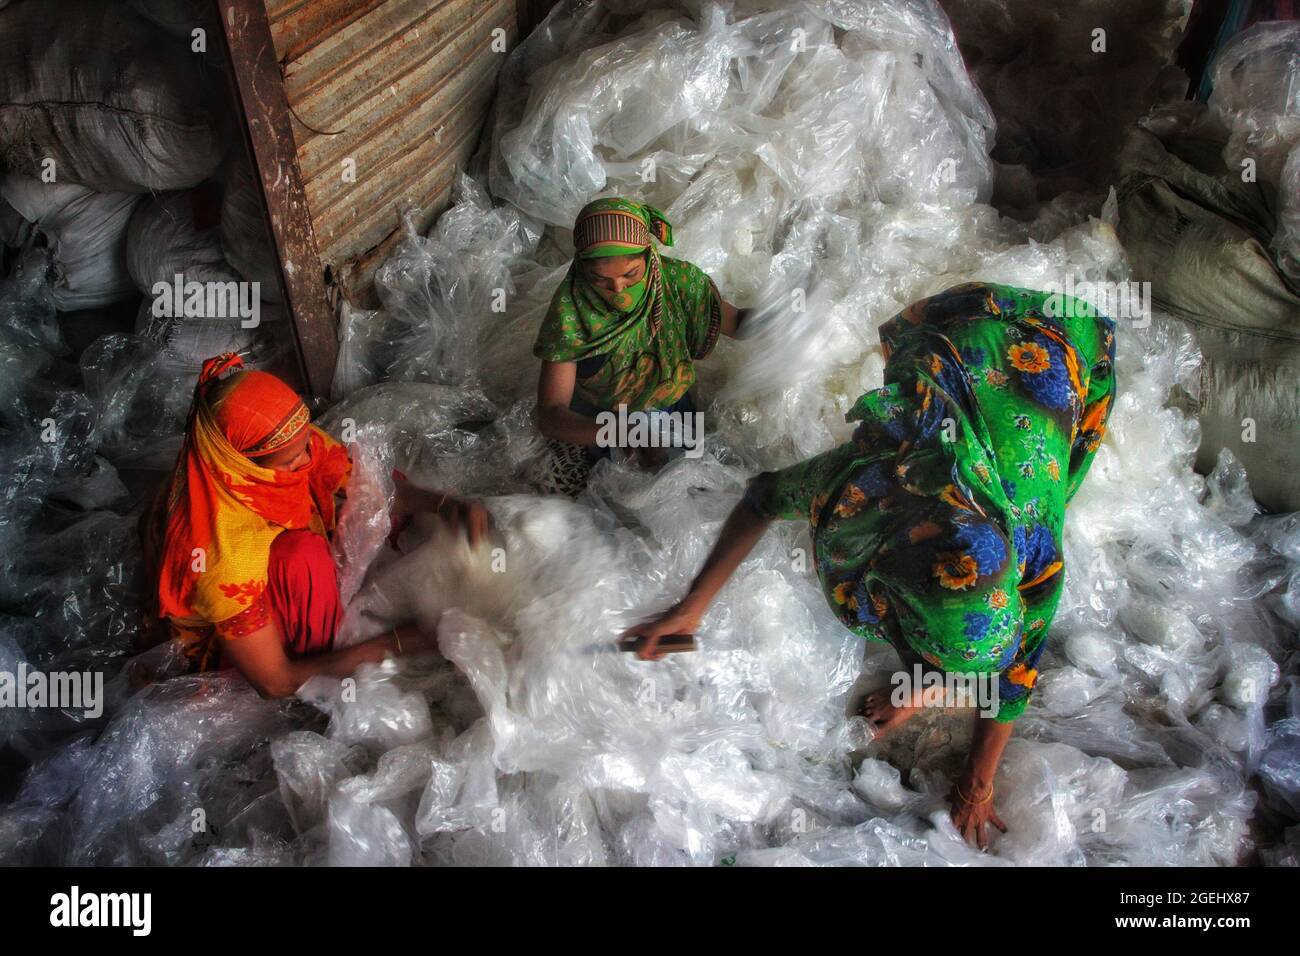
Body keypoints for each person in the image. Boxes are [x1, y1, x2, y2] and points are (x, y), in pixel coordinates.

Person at [622, 282, 1116, 849]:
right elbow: (761, 499)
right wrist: (690, 611)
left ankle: (936, 661)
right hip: (966, 333)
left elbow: (1012, 679)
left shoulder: (1036, 562)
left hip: (1050, 373)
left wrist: (978, 783)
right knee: (944, 608)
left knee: (1051, 474)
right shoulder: (871, 479)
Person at [140, 353, 491, 698]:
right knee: (301, 557)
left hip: (260, 577)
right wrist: (397, 643)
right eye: (292, 462)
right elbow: (273, 682)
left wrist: (443, 505)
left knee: (369, 503)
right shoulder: (224, 556)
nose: (308, 460)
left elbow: (369, 488)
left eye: (306, 444)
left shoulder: (244, 457)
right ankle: (317, 656)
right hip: (236, 654)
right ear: (247, 466)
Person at [533, 197, 746, 492]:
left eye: (631, 274)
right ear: (582, 269)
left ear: (649, 254)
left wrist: (789, 321)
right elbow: (551, 414)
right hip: (607, 421)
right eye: (600, 279)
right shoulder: (571, 314)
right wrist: (620, 432)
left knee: (699, 483)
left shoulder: (678, 282)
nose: (618, 289)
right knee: (637, 498)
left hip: (675, 404)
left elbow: (735, 323)